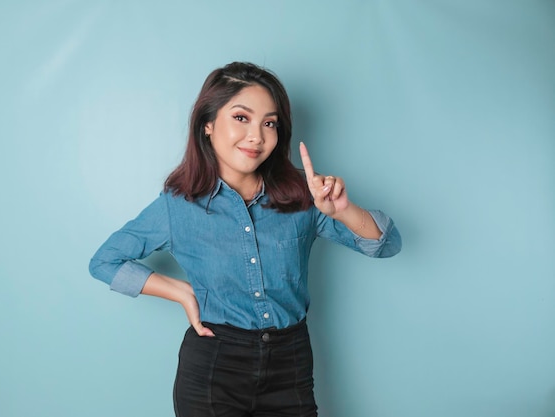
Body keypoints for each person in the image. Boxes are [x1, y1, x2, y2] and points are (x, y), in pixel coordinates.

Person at [89, 61, 401, 417]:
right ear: (207, 125)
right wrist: (180, 292)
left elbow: (387, 245)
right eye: (241, 118)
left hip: (292, 364)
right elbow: (104, 261)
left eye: (269, 123)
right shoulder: (177, 207)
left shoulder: (305, 194)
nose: (257, 136)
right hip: (213, 367)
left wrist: (342, 210)